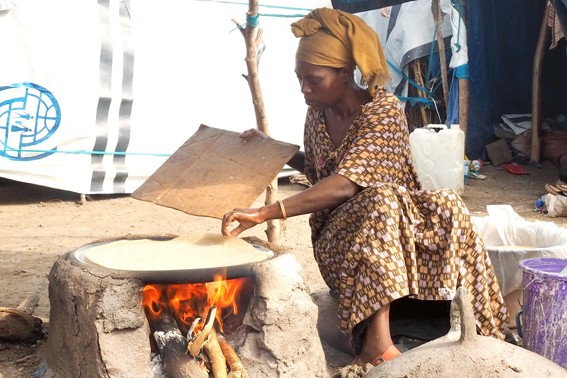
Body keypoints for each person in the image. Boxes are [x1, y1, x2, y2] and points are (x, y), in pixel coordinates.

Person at [221, 8, 509, 366]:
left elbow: (346, 184)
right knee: (380, 202)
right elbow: (321, 174)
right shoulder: (317, 114)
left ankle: (475, 324)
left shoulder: (383, 111)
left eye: (313, 79)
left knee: (446, 204)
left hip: (394, 231)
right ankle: (377, 340)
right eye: (299, 78)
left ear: (345, 74)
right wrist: (275, 149)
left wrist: (264, 212)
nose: (303, 89)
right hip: (341, 238)